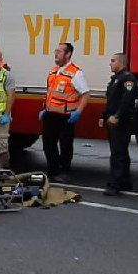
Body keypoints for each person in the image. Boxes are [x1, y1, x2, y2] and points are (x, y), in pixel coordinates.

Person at [39, 42, 89, 178]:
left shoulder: (75, 73)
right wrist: (44, 108)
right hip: (50, 114)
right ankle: (52, 170)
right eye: (56, 50)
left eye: (60, 51)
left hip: (66, 116)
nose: (56, 53)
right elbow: (50, 92)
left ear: (68, 54)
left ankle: (64, 171)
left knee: (65, 145)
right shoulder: (53, 71)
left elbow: (85, 94)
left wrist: (78, 112)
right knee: (48, 144)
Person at [100, 52, 138, 195]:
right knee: (120, 152)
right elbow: (111, 101)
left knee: (118, 153)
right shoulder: (115, 79)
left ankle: (114, 185)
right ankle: (125, 182)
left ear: (121, 63)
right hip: (113, 119)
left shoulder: (128, 79)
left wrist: (117, 116)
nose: (110, 63)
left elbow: (126, 101)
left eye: (113, 61)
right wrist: (104, 116)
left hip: (122, 121)